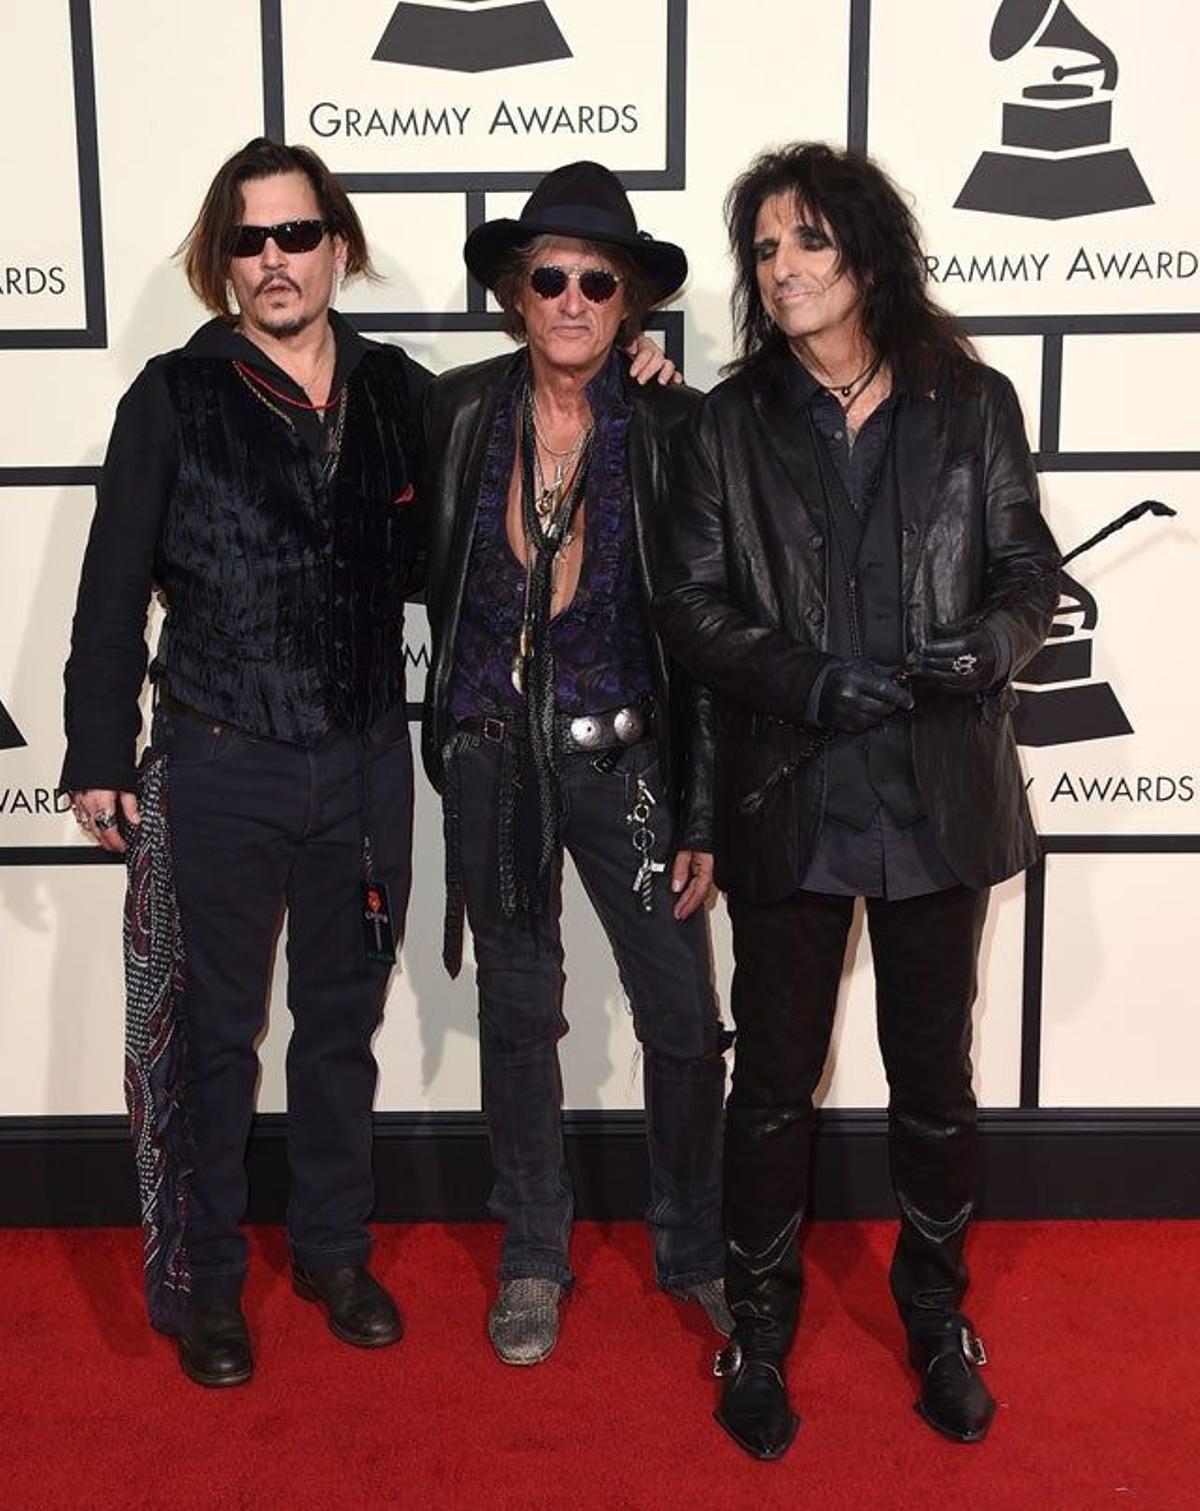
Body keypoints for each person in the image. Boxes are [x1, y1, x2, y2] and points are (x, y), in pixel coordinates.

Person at [654, 143, 1060, 1458]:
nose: (782, 272)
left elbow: (1025, 571)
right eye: (764, 251)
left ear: (868, 253)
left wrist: (990, 649)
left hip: (941, 795)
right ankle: (757, 1334)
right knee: (773, 1085)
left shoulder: (972, 402)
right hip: (796, 795)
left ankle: (937, 1323)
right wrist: (813, 679)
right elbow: (696, 609)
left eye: (808, 243)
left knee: (934, 1081)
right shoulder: (730, 423)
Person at [61, 137, 430, 1386]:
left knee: (342, 1022)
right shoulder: (172, 395)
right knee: (210, 1036)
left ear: (338, 246)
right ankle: (204, 1281)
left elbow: (477, 540)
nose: (274, 259)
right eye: (249, 239)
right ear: (222, 259)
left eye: (296, 234)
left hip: (372, 758)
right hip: (219, 757)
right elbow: (112, 592)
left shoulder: (402, 394)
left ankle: (332, 1248)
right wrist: (99, 750)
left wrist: (635, 375)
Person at [421, 161, 731, 1365]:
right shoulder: (452, 414)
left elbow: (703, 638)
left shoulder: (678, 427)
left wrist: (702, 800)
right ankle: (534, 1254)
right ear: (515, 289)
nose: (570, 297)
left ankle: (696, 1246)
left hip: (630, 764)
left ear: (629, 307)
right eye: (547, 274)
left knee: (684, 1019)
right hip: (492, 758)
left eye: (597, 281)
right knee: (515, 1010)